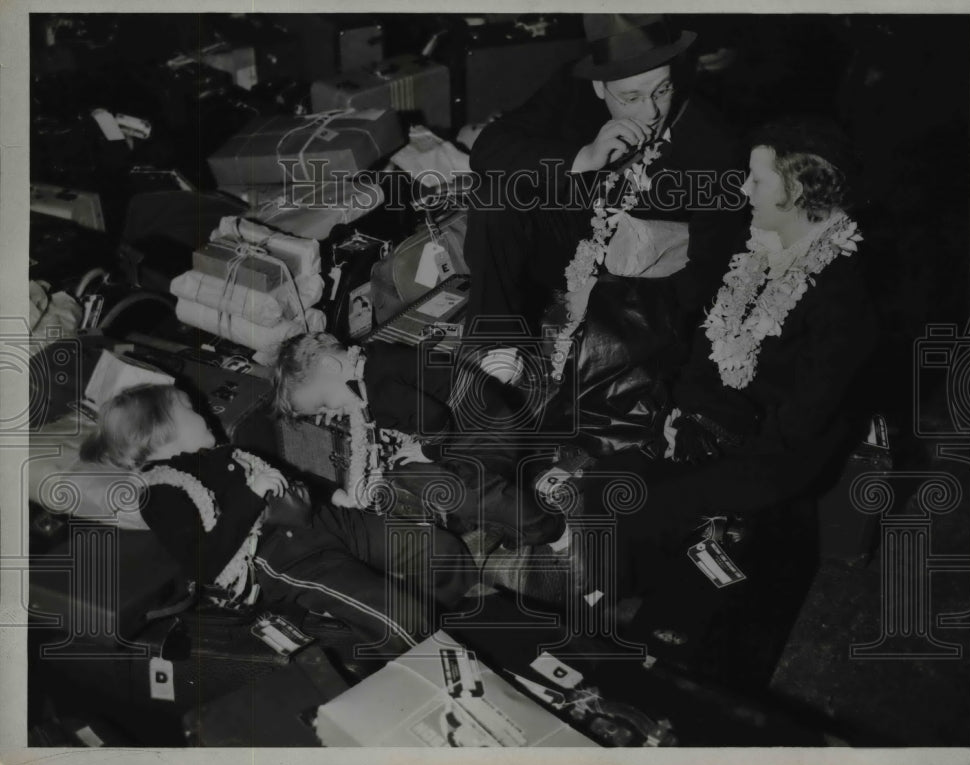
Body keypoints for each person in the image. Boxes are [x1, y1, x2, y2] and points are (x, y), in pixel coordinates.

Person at [587, 116, 879, 598]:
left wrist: (708, 460)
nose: (743, 189)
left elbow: (801, 423)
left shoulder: (845, 293)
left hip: (776, 451)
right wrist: (678, 417)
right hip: (716, 418)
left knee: (644, 511)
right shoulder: (759, 245)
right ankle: (604, 590)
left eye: (758, 180)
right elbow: (709, 342)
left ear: (800, 190)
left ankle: (624, 614)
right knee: (603, 487)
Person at [461, 13, 748, 457]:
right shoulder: (575, 90)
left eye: (663, 90)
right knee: (496, 197)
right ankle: (498, 345)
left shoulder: (715, 143)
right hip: (574, 245)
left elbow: (711, 272)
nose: (651, 111)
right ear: (600, 88)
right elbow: (489, 149)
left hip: (642, 291)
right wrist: (581, 157)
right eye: (630, 97)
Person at [80, 383, 477, 656]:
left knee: (441, 550)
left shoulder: (223, 454)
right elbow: (203, 562)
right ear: (161, 433)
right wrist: (253, 497)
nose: (202, 412)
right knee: (401, 618)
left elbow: (288, 480)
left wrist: (330, 494)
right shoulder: (161, 491)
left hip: (325, 520)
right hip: (283, 556)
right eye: (189, 410)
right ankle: (429, 661)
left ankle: (438, 617)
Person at [271, 332, 567, 549]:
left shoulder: (379, 388)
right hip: (484, 414)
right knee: (421, 473)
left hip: (487, 427)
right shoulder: (369, 360)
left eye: (324, 403)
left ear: (330, 367)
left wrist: (427, 450)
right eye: (323, 411)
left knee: (468, 491)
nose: (330, 412)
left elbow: (434, 418)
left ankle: (548, 527)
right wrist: (336, 405)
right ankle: (500, 518)